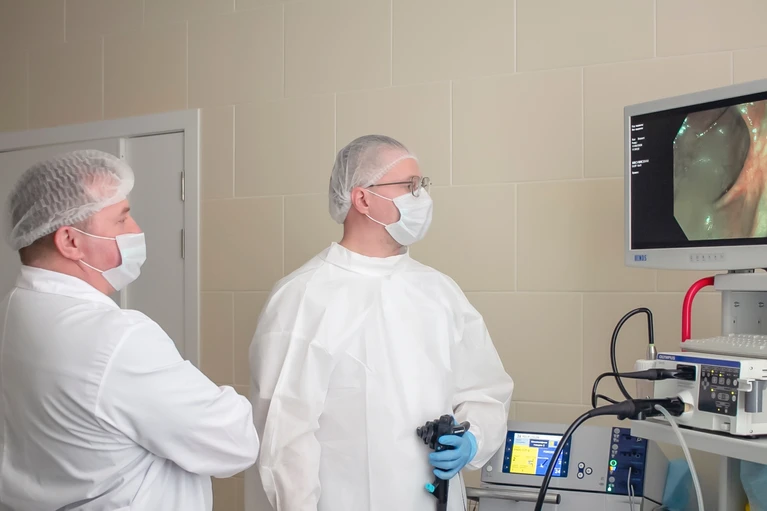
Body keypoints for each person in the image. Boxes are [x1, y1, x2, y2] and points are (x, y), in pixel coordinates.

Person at [246, 135, 514, 510]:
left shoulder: (439, 291)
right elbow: (284, 439)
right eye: (409, 186)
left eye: (422, 185)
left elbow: (485, 390)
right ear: (362, 198)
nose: (422, 197)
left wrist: (474, 438)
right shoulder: (303, 297)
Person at [0, 150, 259, 511]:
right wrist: (224, 402)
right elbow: (234, 444)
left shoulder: (15, 308)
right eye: (121, 219)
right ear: (70, 241)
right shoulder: (115, 338)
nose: (136, 230)